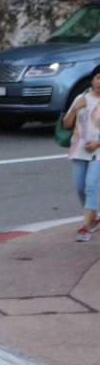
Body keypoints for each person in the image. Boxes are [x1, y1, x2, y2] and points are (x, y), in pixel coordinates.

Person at [64, 65, 100, 242]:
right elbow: (66, 124)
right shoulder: (81, 98)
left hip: (98, 150)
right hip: (79, 149)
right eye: (98, 78)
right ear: (92, 79)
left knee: (91, 185)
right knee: (80, 187)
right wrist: (74, 108)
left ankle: (85, 225)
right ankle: (94, 215)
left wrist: (98, 143)